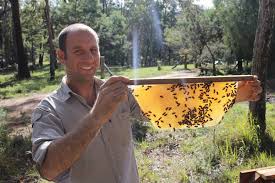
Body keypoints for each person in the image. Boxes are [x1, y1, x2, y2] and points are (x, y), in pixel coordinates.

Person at [31, 23, 262, 183]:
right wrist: (96, 117)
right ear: (61, 56)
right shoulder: (48, 110)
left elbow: (172, 108)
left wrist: (233, 95)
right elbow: (48, 169)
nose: (89, 58)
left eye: (93, 50)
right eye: (78, 51)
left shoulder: (118, 93)